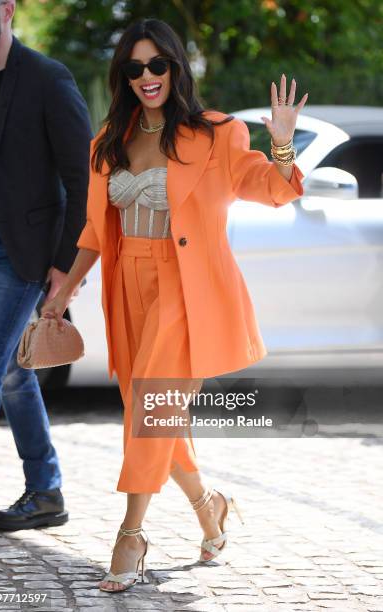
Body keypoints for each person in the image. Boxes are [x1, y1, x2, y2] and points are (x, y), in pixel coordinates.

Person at [42, 18, 308, 593]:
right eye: (134, 67)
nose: (146, 76)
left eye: (156, 64)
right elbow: (93, 231)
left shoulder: (217, 134)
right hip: (126, 286)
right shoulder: (108, 140)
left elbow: (273, 187)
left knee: (150, 410)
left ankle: (130, 535)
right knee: (161, 416)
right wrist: (62, 295)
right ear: (124, 76)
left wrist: (281, 141)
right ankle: (209, 505)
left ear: (175, 67)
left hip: (186, 290)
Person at [0, 0, 92, 530]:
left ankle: (46, 490)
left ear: (6, 9)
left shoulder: (47, 78)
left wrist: (66, 269)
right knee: (11, 372)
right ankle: (46, 492)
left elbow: (82, 179)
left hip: (16, 252)